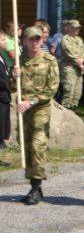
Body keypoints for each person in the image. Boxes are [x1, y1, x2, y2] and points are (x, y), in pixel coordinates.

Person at [11, 27, 59, 205]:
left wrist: (31, 101)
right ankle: (34, 186)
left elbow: (52, 89)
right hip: (23, 110)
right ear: (24, 41)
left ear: (42, 41)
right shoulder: (20, 60)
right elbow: (12, 87)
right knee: (27, 145)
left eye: (38, 39)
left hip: (40, 109)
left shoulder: (50, 60)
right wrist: (13, 75)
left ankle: (36, 188)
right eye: (31, 39)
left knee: (38, 145)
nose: (35, 42)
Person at [60, 20, 84, 109]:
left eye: (78, 28)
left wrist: (82, 60)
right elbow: (69, 53)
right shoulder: (65, 39)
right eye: (75, 27)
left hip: (79, 69)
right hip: (69, 68)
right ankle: (64, 113)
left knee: (77, 92)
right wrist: (79, 63)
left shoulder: (79, 39)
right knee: (69, 91)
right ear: (69, 28)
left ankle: (73, 111)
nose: (77, 29)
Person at [0, 32, 10, 150]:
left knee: (4, 119)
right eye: (3, 40)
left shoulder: (2, 56)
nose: (6, 42)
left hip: (5, 93)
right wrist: (7, 84)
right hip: (1, 92)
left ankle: (2, 140)